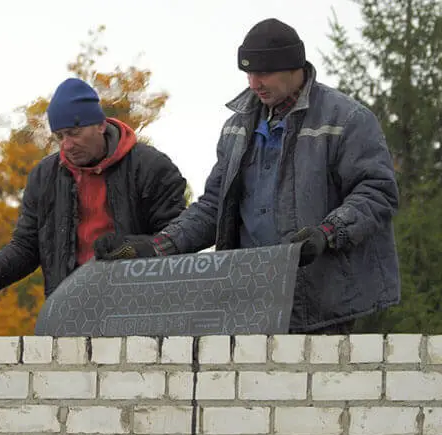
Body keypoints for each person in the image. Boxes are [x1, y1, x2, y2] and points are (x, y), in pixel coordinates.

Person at [94, 18, 400, 334]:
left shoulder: (347, 120)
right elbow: (214, 207)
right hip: (249, 303)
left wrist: (327, 233)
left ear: (294, 66)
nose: (254, 83)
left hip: (324, 304)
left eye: (263, 73)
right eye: (248, 74)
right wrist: (155, 247)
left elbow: (377, 192)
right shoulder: (236, 128)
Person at [0, 77, 188, 299]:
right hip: (68, 307)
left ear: (100, 125)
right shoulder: (44, 177)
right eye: (59, 136)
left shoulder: (152, 168)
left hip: (139, 302)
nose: (67, 145)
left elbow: (177, 240)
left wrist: (132, 248)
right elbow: (26, 247)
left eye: (74, 133)